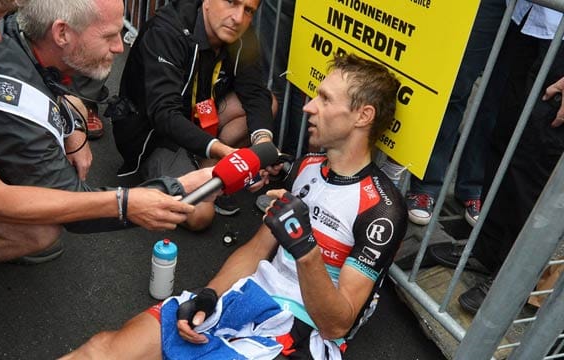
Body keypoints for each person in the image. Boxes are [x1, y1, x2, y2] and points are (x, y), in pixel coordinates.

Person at [61, 53, 408, 360]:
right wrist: (210, 294)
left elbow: (336, 324)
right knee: (102, 349)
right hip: (248, 297)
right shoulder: (307, 167)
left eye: (325, 99)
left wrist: (306, 250)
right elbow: (257, 248)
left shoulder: (383, 209)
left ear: (363, 115)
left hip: (302, 331)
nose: (308, 106)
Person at [0, 0, 211, 324]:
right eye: (109, 36)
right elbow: (29, 201)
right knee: (41, 232)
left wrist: (73, 128)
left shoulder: (13, 27)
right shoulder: (17, 121)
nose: (120, 47)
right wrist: (140, 198)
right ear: (61, 33)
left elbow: (51, 91)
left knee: (72, 108)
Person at [428, 1, 564, 314]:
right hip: (526, 22)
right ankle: (487, 249)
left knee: (535, 159)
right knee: (503, 138)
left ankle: (510, 278)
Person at [113, 0, 278, 230]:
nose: (239, 18)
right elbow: (163, 114)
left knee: (268, 103)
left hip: (200, 121)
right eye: (231, 2)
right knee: (200, 216)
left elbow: (256, 93)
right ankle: (203, 166)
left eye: (248, 10)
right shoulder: (167, 30)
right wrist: (225, 151)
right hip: (157, 137)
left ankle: (206, 164)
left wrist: (263, 149)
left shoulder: (241, 32)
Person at [404, 0, 506, 226]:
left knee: (497, 99)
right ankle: (426, 184)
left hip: (527, 18)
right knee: (454, 87)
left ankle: (473, 186)